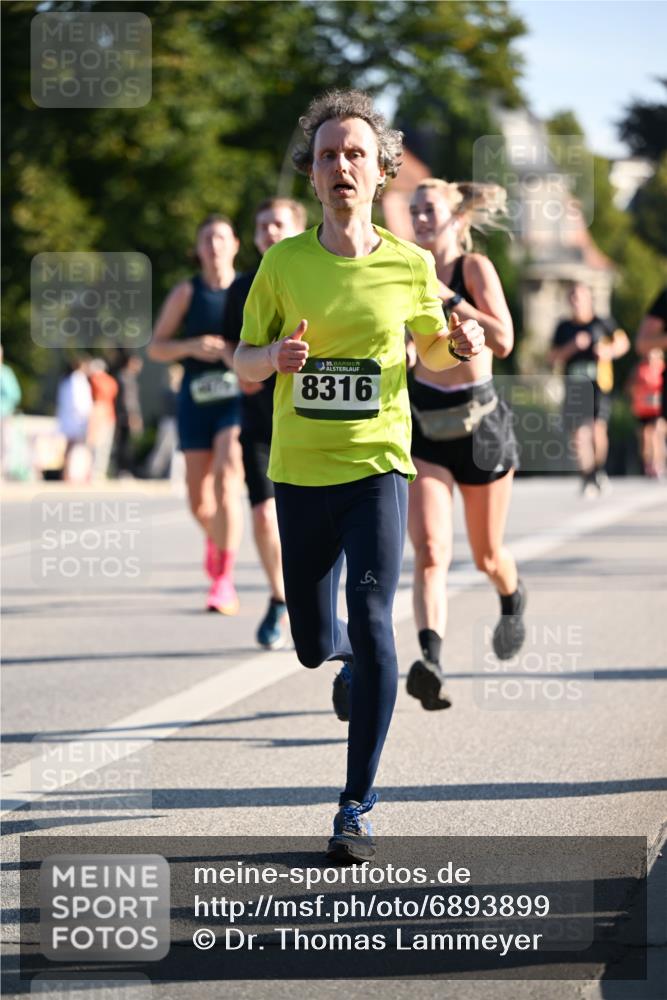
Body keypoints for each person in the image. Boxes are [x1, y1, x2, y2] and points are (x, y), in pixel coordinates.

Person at [234, 90, 484, 861]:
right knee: (314, 642)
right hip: (300, 473)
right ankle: (334, 659)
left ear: (381, 172)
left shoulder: (410, 266)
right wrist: (272, 360)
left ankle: (354, 804)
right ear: (310, 176)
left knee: (376, 624)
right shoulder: (282, 263)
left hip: (378, 464)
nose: (339, 165)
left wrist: (460, 342)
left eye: (354, 154)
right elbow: (242, 365)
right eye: (325, 155)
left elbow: (432, 353)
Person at [405, 178, 522, 711]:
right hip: (427, 426)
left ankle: (511, 595)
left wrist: (447, 296)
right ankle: (431, 660)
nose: (420, 219)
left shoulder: (473, 270)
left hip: (481, 430)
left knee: (487, 555)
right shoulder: (405, 272)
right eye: (414, 211)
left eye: (429, 209)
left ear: (457, 216)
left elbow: (503, 338)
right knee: (430, 550)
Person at [148, 215, 244, 614]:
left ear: (235, 244)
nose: (214, 245)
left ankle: (224, 580)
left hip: (237, 397)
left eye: (221, 237)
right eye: (206, 239)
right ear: (198, 248)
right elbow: (156, 347)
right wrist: (191, 346)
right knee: (196, 498)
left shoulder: (250, 288)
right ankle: (216, 539)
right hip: (194, 399)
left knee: (227, 478)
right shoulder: (188, 291)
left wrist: (231, 353)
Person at [224, 198, 307, 649]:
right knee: (262, 513)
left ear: (298, 226)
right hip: (258, 420)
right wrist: (250, 367)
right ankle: (280, 595)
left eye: (277, 224)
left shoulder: (316, 276)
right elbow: (229, 346)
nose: (269, 232)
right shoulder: (242, 288)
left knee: (308, 522)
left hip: (307, 421)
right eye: (261, 226)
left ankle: (307, 596)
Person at [550, 283, 629, 497]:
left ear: (589, 300)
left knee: (597, 430)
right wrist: (573, 347)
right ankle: (587, 476)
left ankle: (598, 470)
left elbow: (623, 343)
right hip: (575, 386)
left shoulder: (602, 323)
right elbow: (553, 357)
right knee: (578, 434)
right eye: (573, 298)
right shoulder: (564, 327)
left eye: (580, 298)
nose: (576, 302)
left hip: (599, 385)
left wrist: (608, 350)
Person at [627, 349, 665, 478]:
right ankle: (648, 464)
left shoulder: (662, 369)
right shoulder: (639, 369)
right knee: (645, 438)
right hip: (642, 409)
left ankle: (658, 464)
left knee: (656, 435)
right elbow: (630, 387)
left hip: (658, 410)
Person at [56, 354, 93, 482]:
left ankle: (69, 473)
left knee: (71, 447)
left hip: (73, 418)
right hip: (77, 419)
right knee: (74, 447)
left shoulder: (69, 379)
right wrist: (87, 414)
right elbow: (78, 402)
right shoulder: (77, 379)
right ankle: (70, 474)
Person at [87, 358, 118, 480]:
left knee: (96, 444)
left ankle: (95, 472)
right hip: (109, 413)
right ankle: (100, 471)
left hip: (99, 413)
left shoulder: (95, 380)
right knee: (104, 445)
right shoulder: (111, 381)